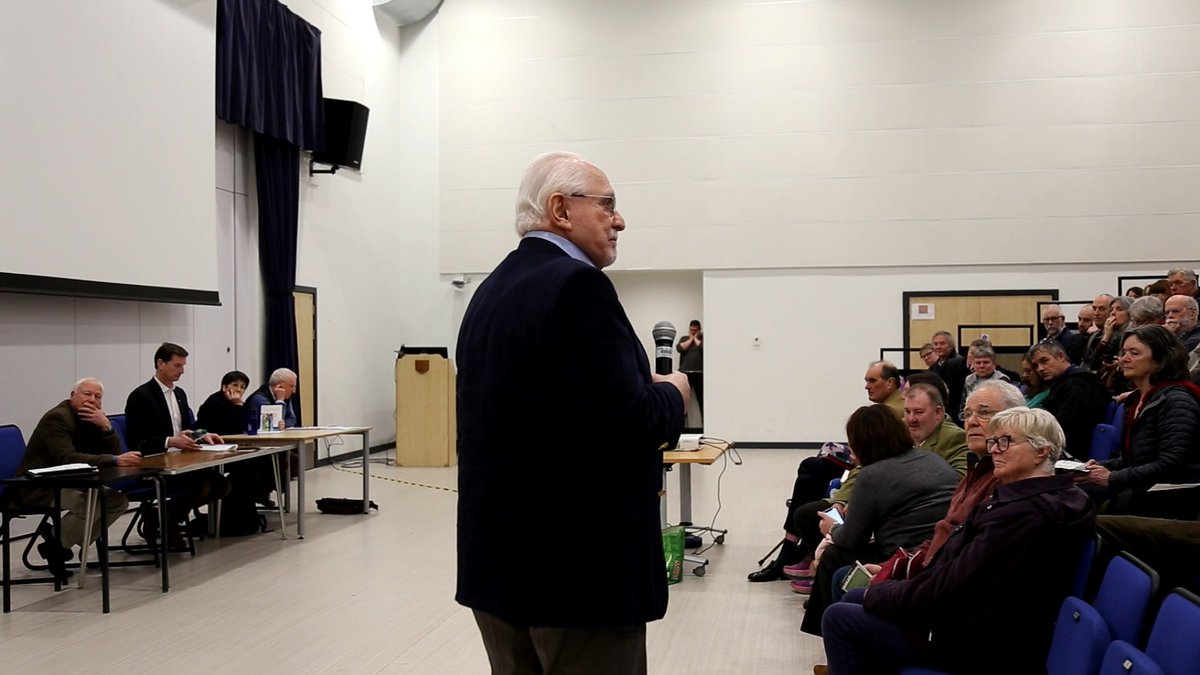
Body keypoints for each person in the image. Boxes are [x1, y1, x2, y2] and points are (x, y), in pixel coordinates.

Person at [455, 151, 689, 674]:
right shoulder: (577, 287)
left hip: (500, 564)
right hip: (577, 575)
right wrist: (674, 392)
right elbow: (629, 425)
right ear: (560, 209)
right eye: (607, 205)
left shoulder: (490, 291)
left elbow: (553, 414)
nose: (619, 219)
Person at [821, 408, 1096, 675]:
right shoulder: (1036, 499)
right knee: (857, 596)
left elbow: (953, 581)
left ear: (1042, 451)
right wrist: (893, 586)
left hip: (981, 642)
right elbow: (953, 567)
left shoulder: (1024, 514)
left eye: (1005, 441)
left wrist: (885, 592)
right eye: (994, 441)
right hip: (975, 619)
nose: (994, 449)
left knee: (839, 619)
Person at [797, 404, 958, 636]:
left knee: (834, 556)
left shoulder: (871, 475)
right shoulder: (932, 459)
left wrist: (832, 529)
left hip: (901, 555)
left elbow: (851, 539)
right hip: (938, 552)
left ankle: (829, 634)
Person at [747, 361, 901, 583]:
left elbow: (868, 465)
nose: (867, 386)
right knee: (811, 470)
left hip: (869, 476)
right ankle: (796, 551)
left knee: (811, 471)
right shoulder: (887, 408)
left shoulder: (890, 412)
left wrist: (839, 500)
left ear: (890, 383)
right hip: (866, 469)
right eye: (866, 380)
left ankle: (793, 551)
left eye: (872, 381)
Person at [5, 378, 141, 579]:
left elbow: (113, 454)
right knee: (90, 504)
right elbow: (67, 458)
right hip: (40, 485)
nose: (92, 400)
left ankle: (56, 541)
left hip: (72, 481)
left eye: (97, 397)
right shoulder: (57, 418)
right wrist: (113, 459)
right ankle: (58, 546)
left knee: (117, 501)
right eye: (87, 394)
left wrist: (106, 428)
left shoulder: (91, 418)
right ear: (72, 396)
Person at [1076, 325, 1200, 519]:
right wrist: (1096, 467)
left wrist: (1111, 477)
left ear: (1159, 360)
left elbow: (1172, 463)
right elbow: (1136, 458)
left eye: (1134, 353)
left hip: (1171, 494)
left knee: (1079, 507)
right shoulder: (1137, 400)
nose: (1124, 359)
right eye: (1124, 352)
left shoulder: (1176, 401)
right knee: (1068, 493)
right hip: (1143, 486)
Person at [124, 342, 231, 543]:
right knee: (202, 484)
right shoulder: (141, 396)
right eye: (177, 366)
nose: (181, 371)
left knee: (221, 484)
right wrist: (169, 441)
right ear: (160, 364)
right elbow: (138, 439)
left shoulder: (179, 394)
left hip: (180, 459)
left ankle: (160, 516)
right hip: (154, 461)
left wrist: (202, 434)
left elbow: (189, 427)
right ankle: (169, 522)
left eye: (183, 366)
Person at [1030, 340, 1109, 459]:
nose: (1040, 369)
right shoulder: (1063, 383)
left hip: (1074, 454)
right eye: (1036, 366)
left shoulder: (1079, 384)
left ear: (1061, 356)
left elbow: (1062, 428)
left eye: (1044, 361)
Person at [959, 345, 1010, 418]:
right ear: (973, 364)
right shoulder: (969, 379)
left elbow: (1006, 408)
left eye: (986, 362)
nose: (981, 366)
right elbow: (964, 406)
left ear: (994, 364)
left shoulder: (1002, 379)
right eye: (978, 363)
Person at [197, 370, 251, 434]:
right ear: (224, 387)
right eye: (235, 385)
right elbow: (234, 429)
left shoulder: (239, 403)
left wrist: (238, 405)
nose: (239, 390)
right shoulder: (215, 402)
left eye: (242, 387)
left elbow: (249, 426)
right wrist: (237, 405)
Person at [929, 331, 967, 423]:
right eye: (936, 344)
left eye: (942, 343)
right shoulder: (935, 365)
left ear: (951, 346)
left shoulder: (958, 363)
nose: (938, 347)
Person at [676, 319, 703, 416]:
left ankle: (705, 424)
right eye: (692, 330)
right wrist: (691, 338)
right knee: (683, 399)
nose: (693, 332)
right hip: (685, 373)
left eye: (695, 330)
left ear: (700, 330)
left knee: (702, 399)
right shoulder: (684, 338)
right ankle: (681, 426)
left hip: (700, 373)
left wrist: (696, 338)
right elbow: (680, 348)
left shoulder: (703, 339)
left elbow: (703, 348)